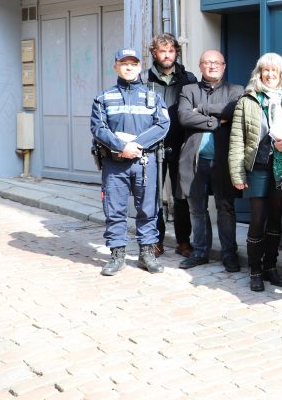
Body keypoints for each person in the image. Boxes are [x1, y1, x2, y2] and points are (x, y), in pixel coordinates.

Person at [90, 48, 170, 276]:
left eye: (133, 64)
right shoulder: (103, 97)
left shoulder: (153, 96)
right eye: (123, 63)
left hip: (145, 162)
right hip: (115, 163)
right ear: (115, 66)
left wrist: (136, 145)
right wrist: (121, 147)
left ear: (139, 67)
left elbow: (162, 125)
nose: (128, 67)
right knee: (114, 210)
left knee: (148, 210)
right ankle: (117, 255)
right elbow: (98, 128)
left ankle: (147, 254)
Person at [229, 53, 282, 292]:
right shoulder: (247, 100)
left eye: (275, 71)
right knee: (258, 220)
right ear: (259, 74)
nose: (270, 75)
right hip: (258, 167)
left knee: (276, 220)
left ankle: (271, 266)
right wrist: (237, 174)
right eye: (265, 70)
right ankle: (255, 269)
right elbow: (237, 140)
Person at [177, 50, 244, 272]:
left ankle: (229, 254)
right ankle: (200, 252)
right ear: (200, 66)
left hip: (223, 161)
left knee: (226, 208)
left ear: (224, 66)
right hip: (195, 162)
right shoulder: (189, 90)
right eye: (207, 62)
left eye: (216, 62)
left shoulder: (236, 91)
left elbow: (233, 111)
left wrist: (203, 109)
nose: (212, 66)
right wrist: (217, 122)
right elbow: (184, 116)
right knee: (197, 209)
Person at [145, 33, 198, 257]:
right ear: (155, 53)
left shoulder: (189, 78)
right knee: (155, 195)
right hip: (154, 145)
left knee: (181, 195)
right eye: (162, 51)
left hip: (181, 144)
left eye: (171, 51)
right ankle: (156, 240)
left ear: (176, 52)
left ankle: (183, 241)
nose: (167, 55)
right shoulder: (144, 80)